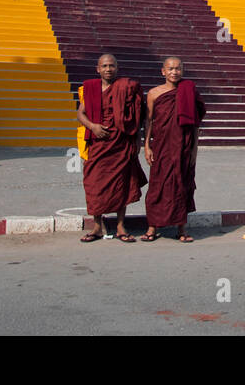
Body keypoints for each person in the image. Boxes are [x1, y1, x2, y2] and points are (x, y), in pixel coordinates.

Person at [77, 53, 147, 243]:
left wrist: (139, 142)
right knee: (94, 185)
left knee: (121, 186)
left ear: (117, 68)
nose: (108, 69)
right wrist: (93, 127)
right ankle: (98, 226)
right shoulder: (91, 89)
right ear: (97, 69)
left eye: (112, 66)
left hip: (120, 143)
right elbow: (80, 113)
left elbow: (139, 117)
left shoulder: (126, 88)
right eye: (105, 66)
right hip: (98, 145)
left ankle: (120, 226)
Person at [141, 56, 205, 242]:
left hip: (183, 147)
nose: (174, 72)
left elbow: (195, 124)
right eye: (170, 69)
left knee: (181, 185)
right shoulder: (154, 94)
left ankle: (181, 229)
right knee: (156, 187)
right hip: (161, 147)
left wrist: (194, 151)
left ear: (182, 71)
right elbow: (149, 121)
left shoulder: (189, 91)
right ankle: (152, 227)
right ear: (163, 71)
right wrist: (146, 146)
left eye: (178, 68)